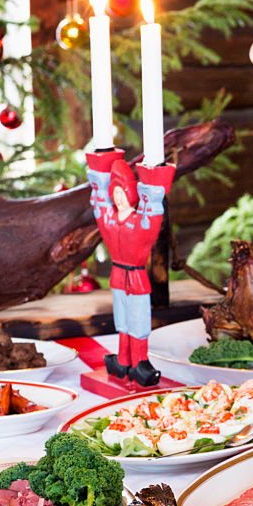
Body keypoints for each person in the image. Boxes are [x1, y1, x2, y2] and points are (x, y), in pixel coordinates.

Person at [94, 158, 166, 386]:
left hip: (136, 279)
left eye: (122, 193)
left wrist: (152, 185)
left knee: (139, 324)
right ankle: (123, 361)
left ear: (131, 195)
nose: (118, 198)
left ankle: (140, 362)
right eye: (115, 193)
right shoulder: (110, 220)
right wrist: (99, 175)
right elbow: (99, 206)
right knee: (123, 323)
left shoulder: (140, 222)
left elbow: (153, 215)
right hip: (118, 278)